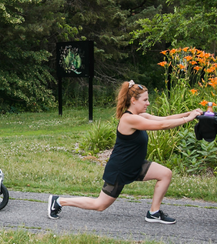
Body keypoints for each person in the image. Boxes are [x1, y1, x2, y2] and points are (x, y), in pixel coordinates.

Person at [48, 81, 202, 224]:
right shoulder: (128, 119)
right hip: (120, 169)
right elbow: (162, 125)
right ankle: (59, 201)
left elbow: (165, 118)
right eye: (145, 100)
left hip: (135, 165)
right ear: (133, 100)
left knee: (165, 174)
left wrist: (190, 113)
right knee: (100, 205)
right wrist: (188, 119)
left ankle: (154, 213)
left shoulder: (139, 116)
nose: (148, 103)